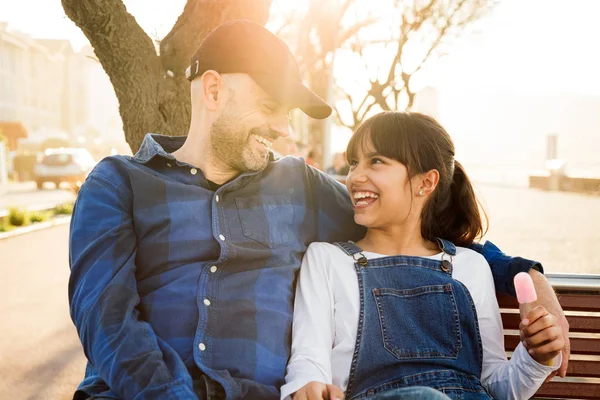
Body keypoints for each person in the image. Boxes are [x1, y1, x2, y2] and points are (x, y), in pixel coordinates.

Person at [68, 20, 569, 400]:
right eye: (270, 108)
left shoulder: (298, 186)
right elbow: (106, 320)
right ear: (214, 90)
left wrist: (525, 274)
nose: (284, 131)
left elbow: (412, 229)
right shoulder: (118, 184)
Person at [282, 112, 564, 400]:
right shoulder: (327, 260)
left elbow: (495, 387)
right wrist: (308, 387)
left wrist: (535, 357)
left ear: (425, 183)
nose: (355, 176)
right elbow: (308, 363)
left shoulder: (470, 265)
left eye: (376, 161)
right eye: (354, 162)